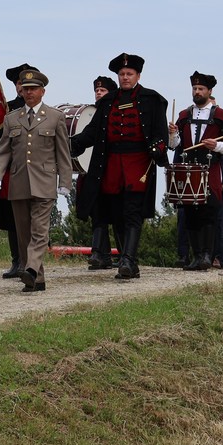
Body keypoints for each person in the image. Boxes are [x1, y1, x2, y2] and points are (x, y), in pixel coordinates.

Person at [71, 53, 169, 280]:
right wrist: (70, 144)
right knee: (116, 212)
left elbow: (160, 133)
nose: (125, 77)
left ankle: (128, 260)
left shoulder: (153, 100)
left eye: (129, 74)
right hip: (112, 164)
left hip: (138, 163)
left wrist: (158, 148)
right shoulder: (107, 101)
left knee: (132, 211)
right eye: (122, 74)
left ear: (138, 75)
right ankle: (128, 261)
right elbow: (92, 132)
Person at [0, 70, 72, 292]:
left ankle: (31, 268)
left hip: (44, 181)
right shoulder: (11, 118)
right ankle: (37, 279)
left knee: (39, 230)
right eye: (25, 89)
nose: (29, 93)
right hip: (18, 182)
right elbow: (3, 151)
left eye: (33, 89)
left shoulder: (55, 117)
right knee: (23, 232)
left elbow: (63, 152)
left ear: (42, 91)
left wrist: (65, 181)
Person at [0, 63, 39, 279]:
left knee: (33, 217)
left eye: (26, 83)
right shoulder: (5, 109)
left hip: (34, 169)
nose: (22, 87)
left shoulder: (43, 110)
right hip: (9, 170)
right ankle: (17, 261)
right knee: (12, 216)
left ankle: (32, 262)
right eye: (19, 83)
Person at [167, 72, 223, 271]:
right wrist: (172, 134)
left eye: (201, 89)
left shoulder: (222, 116)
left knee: (209, 212)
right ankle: (196, 256)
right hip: (189, 170)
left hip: (210, 169)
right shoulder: (184, 116)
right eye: (194, 89)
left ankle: (207, 254)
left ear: (209, 91)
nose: (197, 92)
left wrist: (216, 145)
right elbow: (175, 145)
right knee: (190, 214)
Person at [85, 75, 120, 270]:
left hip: (113, 169)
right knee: (97, 210)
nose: (99, 93)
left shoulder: (116, 111)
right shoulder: (92, 113)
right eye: (97, 90)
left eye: (103, 90)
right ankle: (100, 253)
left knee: (118, 212)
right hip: (96, 170)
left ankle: (125, 254)